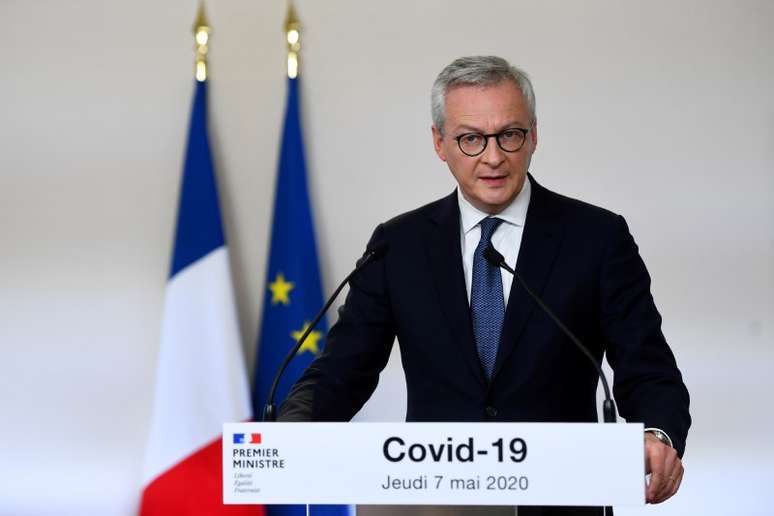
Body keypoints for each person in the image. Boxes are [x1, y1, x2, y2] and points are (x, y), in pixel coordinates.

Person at [279, 56, 690, 515]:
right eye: (471, 138)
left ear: (533, 135)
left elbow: (647, 367)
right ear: (440, 143)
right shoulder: (398, 245)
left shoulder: (596, 238)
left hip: (561, 501)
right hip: (437, 503)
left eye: (509, 135)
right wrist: (294, 430)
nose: (492, 157)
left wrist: (658, 433)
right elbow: (343, 369)